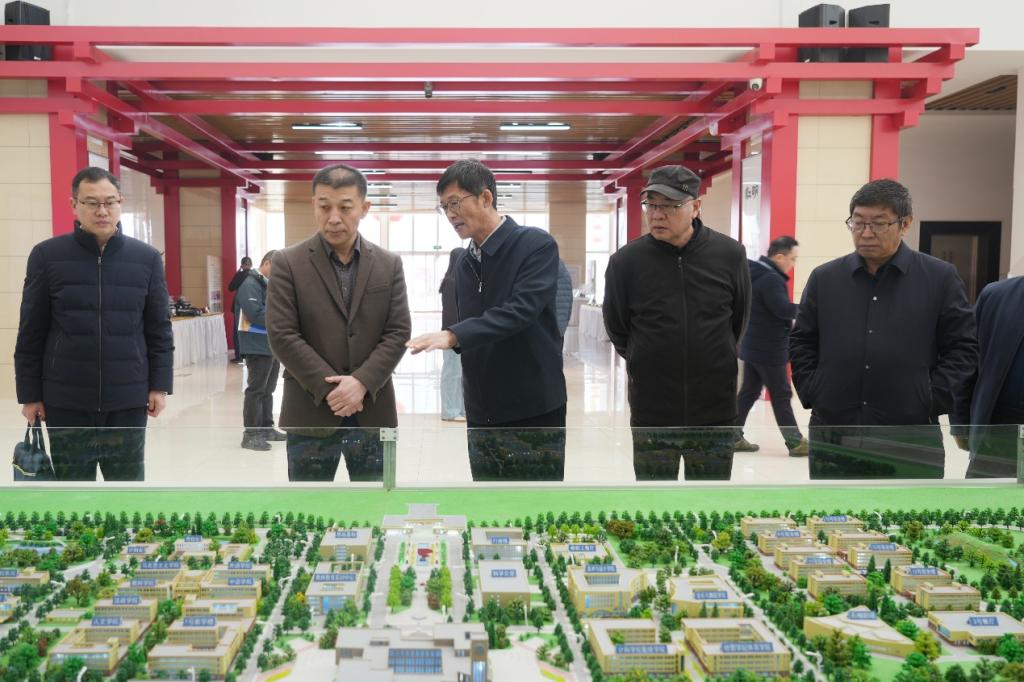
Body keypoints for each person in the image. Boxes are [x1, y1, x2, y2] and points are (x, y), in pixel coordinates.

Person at [790, 178, 977, 479]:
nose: (865, 233)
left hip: (910, 433)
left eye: (878, 224)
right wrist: (815, 390)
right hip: (834, 431)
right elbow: (802, 341)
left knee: (909, 510)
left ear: (905, 223)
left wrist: (930, 399)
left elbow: (963, 347)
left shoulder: (939, 278)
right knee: (833, 510)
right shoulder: (825, 278)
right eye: (857, 222)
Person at [406, 160, 567, 480]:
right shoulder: (465, 261)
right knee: (487, 500)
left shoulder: (535, 244)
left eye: (455, 203)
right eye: (444, 207)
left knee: (537, 502)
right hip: (482, 408)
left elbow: (521, 310)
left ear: (485, 198)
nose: (450, 214)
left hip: (533, 404)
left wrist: (454, 335)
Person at [14, 166, 174, 481]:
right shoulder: (47, 256)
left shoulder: (146, 258)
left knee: (126, 488)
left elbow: (158, 328)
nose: (102, 211)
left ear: (120, 203)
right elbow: (31, 331)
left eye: (109, 202)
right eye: (91, 203)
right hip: (66, 399)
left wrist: (159, 385)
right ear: (74, 205)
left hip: (127, 397)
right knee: (74, 490)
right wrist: (29, 394)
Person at [603, 165, 750, 481]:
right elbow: (617, 326)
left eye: (669, 206)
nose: (657, 215)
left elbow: (738, 320)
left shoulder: (729, 254)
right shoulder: (626, 262)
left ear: (695, 207)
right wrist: (646, 358)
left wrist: (712, 354)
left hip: (714, 408)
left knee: (710, 498)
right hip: (653, 408)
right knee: (655, 499)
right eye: (651, 205)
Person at [266, 164, 410, 482]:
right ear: (313, 205)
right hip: (310, 410)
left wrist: (361, 383)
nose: (333, 218)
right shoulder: (288, 263)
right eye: (324, 206)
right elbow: (282, 334)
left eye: (345, 208)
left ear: (364, 208)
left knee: (374, 504)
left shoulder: (388, 264)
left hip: (372, 409)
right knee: (310, 507)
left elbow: (398, 331)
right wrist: (334, 390)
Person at [735, 236, 808, 457]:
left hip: (753, 344)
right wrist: (809, 309)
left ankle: (731, 436)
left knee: (749, 392)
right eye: (792, 259)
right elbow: (782, 309)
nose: (793, 264)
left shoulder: (755, 273)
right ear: (779, 257)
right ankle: (795, 443)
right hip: (768, 348)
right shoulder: (771, 279)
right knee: (781, 394)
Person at [953, 276, 1024, 478]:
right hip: (997, 432)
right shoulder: (997, 296)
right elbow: (966, 363)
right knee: (985, 497)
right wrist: (960, 423)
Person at [238, 250, 286, 451]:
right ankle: (251, 434)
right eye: (277, 268)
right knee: (256, 390)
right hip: (256, 344)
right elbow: (255, 314)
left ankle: (266, 428)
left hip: (270, 344)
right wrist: (284, 317)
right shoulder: (250, 284)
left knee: (268, 389)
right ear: (266, 263)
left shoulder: (266, 284)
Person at [439, 246, 467, 422]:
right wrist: (455, 334)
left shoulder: (459, 281)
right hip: (453, 335)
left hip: (461, 333)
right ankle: (450, 411)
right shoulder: (451, 282)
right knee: (452, 373)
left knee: (461, 374)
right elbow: (451, 312)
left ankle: (461, 409)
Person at [227, 256, 252, 363]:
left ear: (242, 265)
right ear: (251, 265)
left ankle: (239, 356)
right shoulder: (254, 275)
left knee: (237, 332)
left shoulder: (240, 275)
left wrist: (237, 273)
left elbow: (231, 287)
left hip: (239, 308)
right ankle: (248, 355)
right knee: (248, 331)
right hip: (250, 307)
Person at [555, 259, 573, 340]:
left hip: (548, 328)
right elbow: (570, 302)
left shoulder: (546, 270)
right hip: (561, 326)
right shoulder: (565, 272)